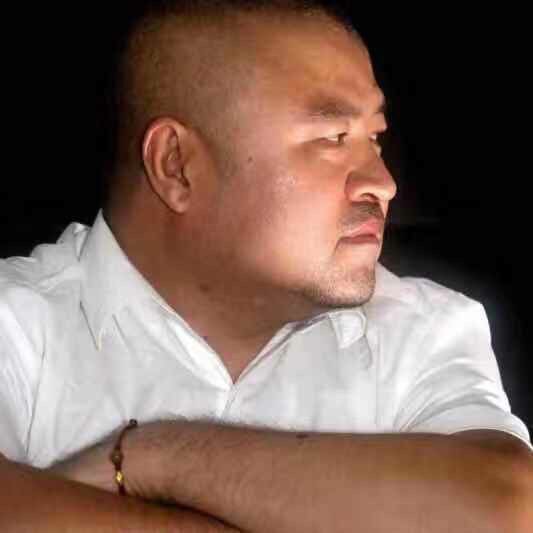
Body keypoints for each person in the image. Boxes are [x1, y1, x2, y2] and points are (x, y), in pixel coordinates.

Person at [1, 1, 531, 531]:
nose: (383, 183)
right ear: (176, 166)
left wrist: (153, 457)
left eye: (374, 138)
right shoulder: (17, 324)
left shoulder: (422, 330)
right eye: (333, 138)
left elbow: (509, 509)